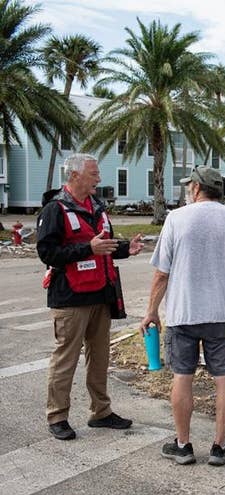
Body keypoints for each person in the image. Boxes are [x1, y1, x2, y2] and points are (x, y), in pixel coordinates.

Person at [141, 165, 225, 466]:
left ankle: (183, 445)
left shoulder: (177, 219)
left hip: (183, 314)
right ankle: (220, 446)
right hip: (221, 315)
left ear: (195, 188)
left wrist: (152, 311)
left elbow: (161, 274)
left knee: (183, 376)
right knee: (224, 378)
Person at [37, 153, 144, 441]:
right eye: (94, 173)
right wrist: (87, 249)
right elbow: (46, 253)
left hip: (100, 294)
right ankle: (57, 416)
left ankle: (101, 412)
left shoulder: (97, 206)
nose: (99, 178)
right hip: (70, 298)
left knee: (99, 358)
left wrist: (124, 248)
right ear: (74, 175)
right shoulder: (55, 209)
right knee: (66, 359)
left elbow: (102, 245)